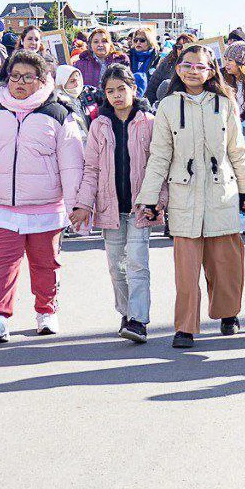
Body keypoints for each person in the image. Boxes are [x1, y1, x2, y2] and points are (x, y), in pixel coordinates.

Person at [0, 50, 85, 342]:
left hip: (46, 209)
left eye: (28, 77)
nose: (20, 83)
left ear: (42, 80)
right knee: (2, 264)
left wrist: (77, 206)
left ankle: (46, 311)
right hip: (1, 208)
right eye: (15, 77)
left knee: (45, 264)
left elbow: (72, 166)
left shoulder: (58, 114)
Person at [135, 44, 245, 349]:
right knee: (186, 272)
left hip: (221, 192)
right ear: (177, 69)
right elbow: (160, 155)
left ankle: (228, 314)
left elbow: (237, 150)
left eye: (200, 66)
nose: (192, 71)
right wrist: (149, 198)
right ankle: (185, 327)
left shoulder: (224, 104)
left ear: (211, 71)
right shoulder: (168, 106)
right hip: (184, 194)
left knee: (226, 264)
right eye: (187, 65)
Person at [69, 65, 161, 343]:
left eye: (122, 89)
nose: (117, 95)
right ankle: (126, 313)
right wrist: (83, 204)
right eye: (111, 91)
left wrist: (158, 201)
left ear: (134, 88)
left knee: (137, 263)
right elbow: (91, 169)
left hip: (140, 207)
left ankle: (138, 320)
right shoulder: (99, 124)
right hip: (110, 208)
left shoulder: (149, 122)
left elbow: (159, 165)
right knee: (116, 266)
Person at [145, 31, 195, 104]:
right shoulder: (168, 63)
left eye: (186, 46)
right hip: (167, 105)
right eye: (179, 46)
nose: (182, 50)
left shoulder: (200, 67)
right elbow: (152, 88)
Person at [75, 27, 128, 92]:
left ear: (110, 44)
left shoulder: (121, 60)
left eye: (104, 41)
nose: (100, 45)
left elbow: (128, 84)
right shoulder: (80, 64)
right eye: (96, 42)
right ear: (90, 45)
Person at [127, 27, 159, 95]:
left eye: (142, 40)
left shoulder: (158, 58)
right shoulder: (127, 57)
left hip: (150, 95)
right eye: (135, 40)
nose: (138, 42)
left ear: (150, 41)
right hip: (130, 94)